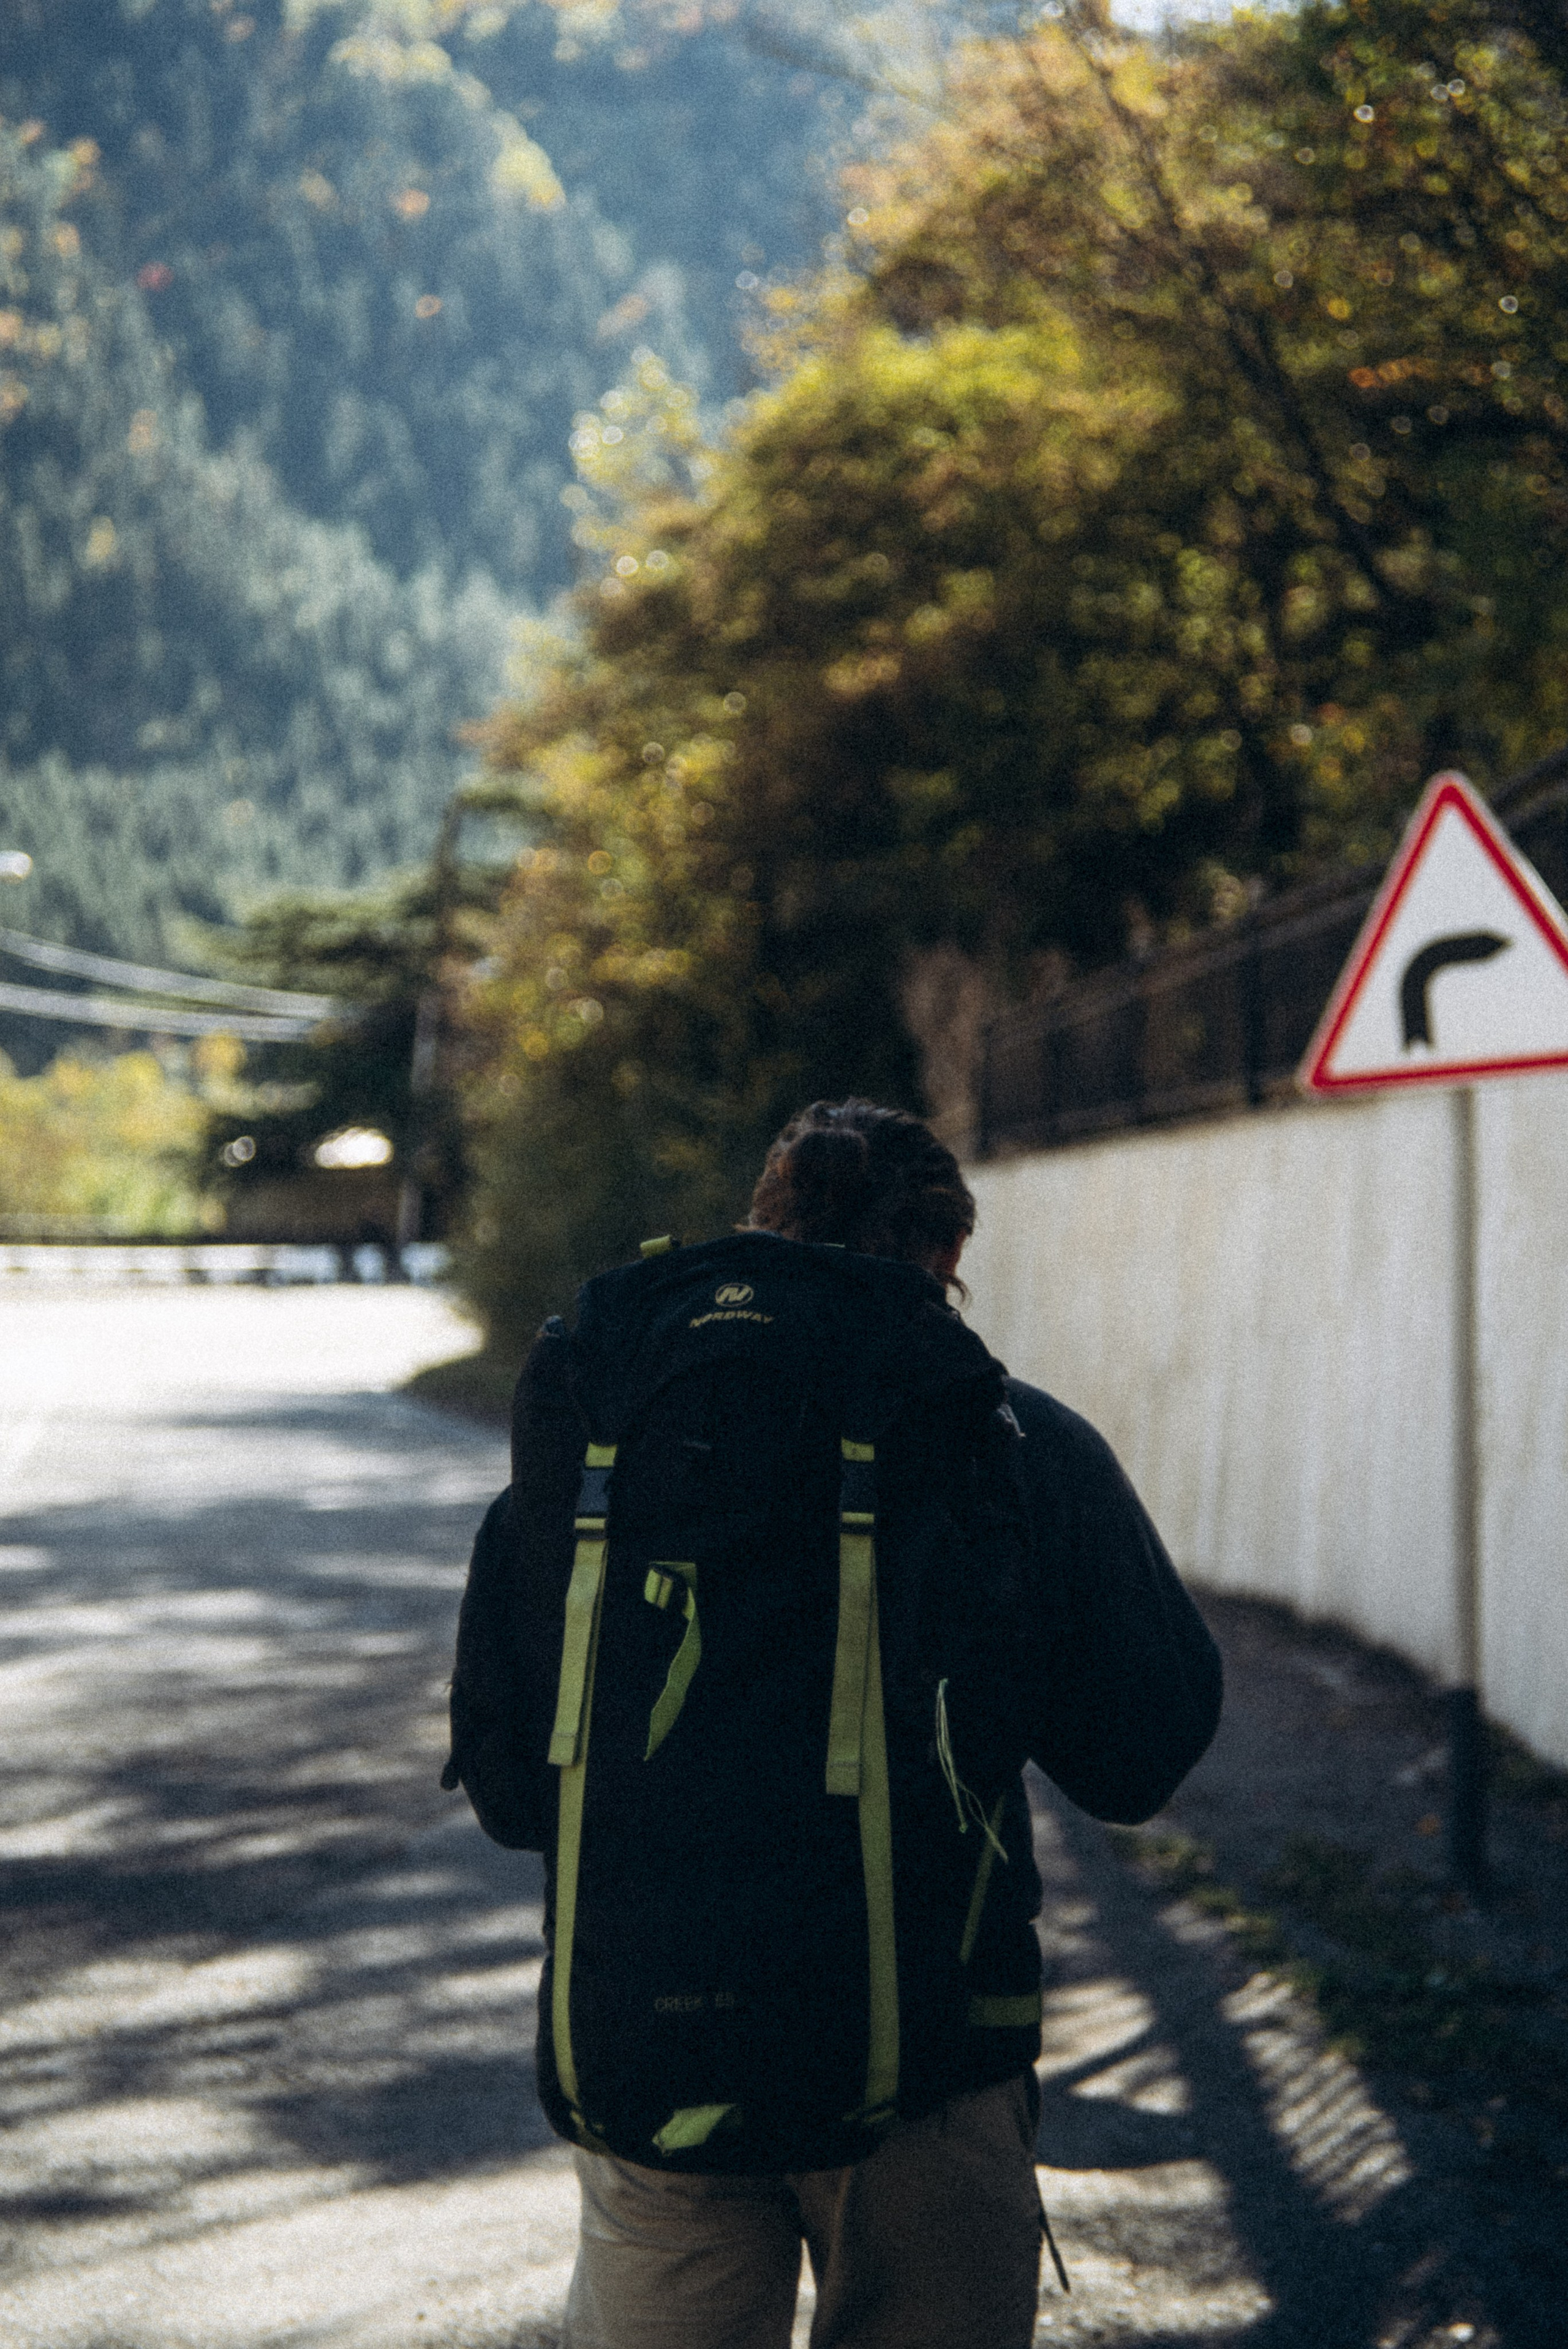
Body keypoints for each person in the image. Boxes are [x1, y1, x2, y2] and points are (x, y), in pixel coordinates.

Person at [445, 1098, 1222, 2349]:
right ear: (942, 1262)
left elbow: (509, 1792)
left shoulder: (604, 1458)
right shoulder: (1012, 1441)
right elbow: (1139, 1755)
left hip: (647, 2049)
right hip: (923, 2062)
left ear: (764, 1228)